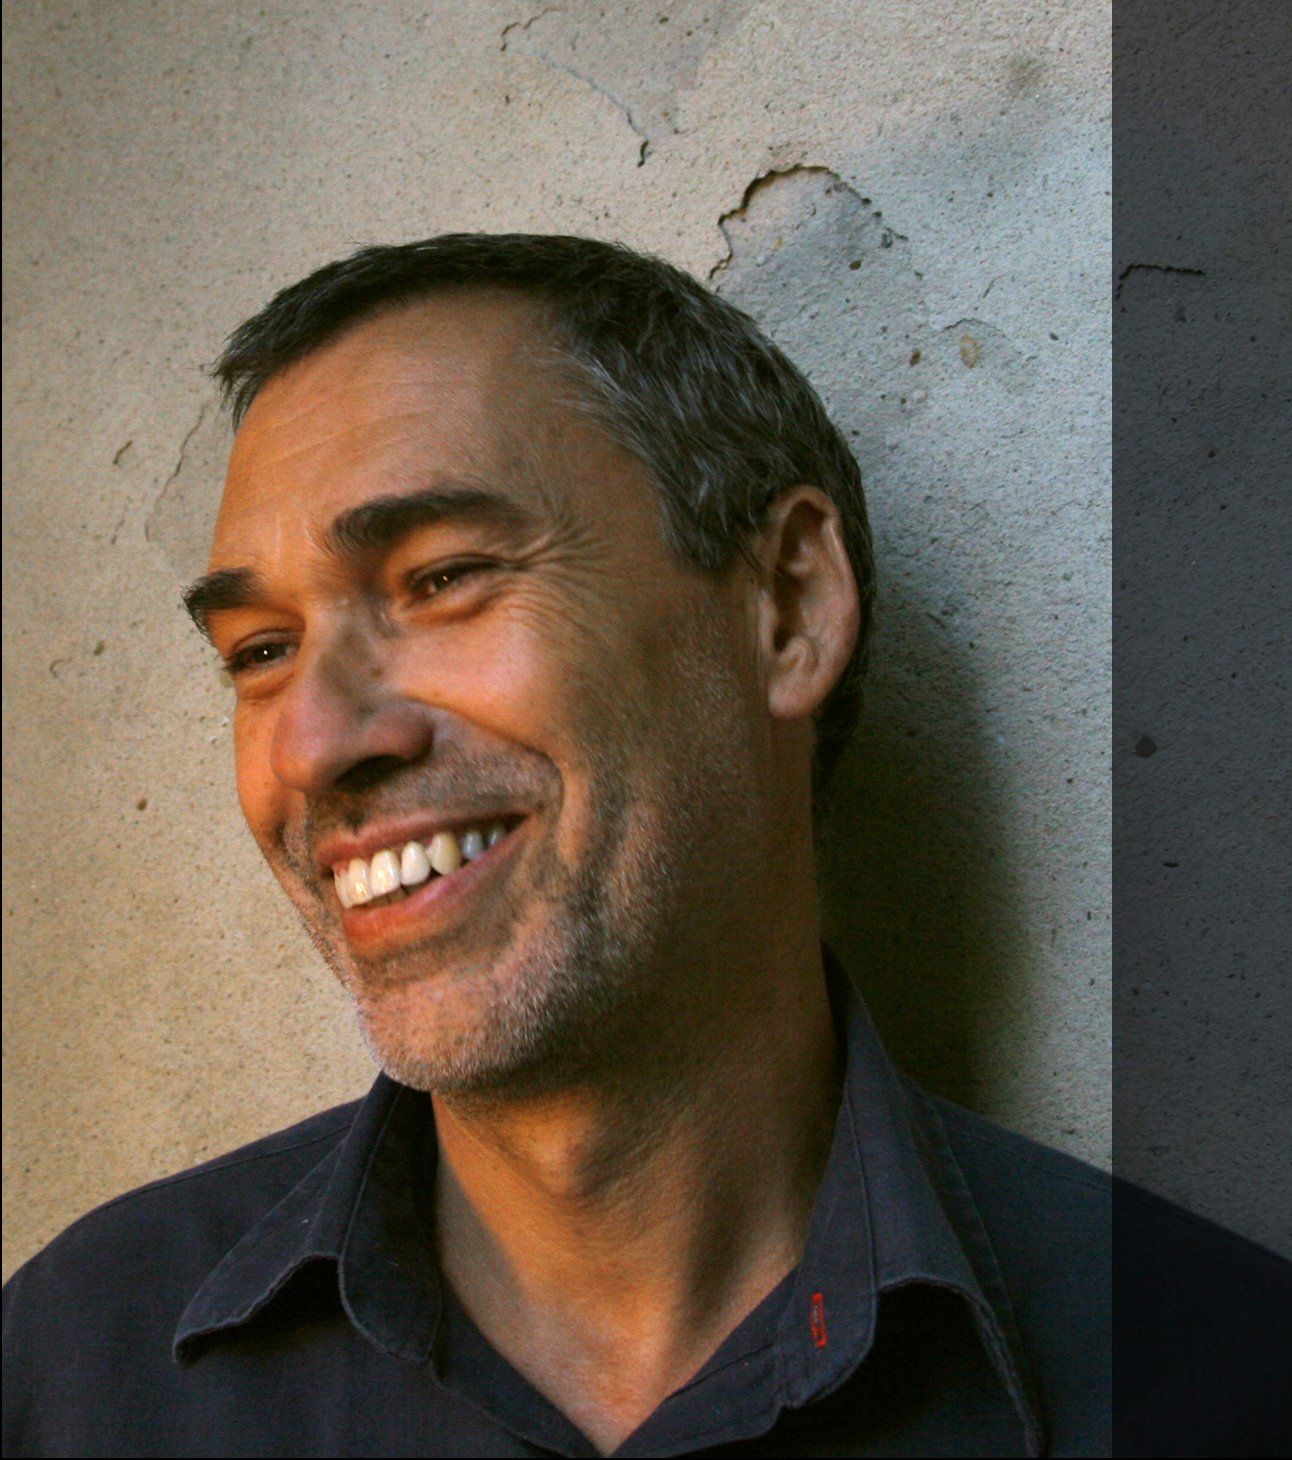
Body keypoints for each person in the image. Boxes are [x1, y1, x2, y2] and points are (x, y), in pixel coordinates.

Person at [3, 235, 1288, 1459]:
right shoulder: (76, 1371)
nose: (313, 744)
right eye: (260, 652)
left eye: (442, 578)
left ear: (786, 609)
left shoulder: (1219, 1385)